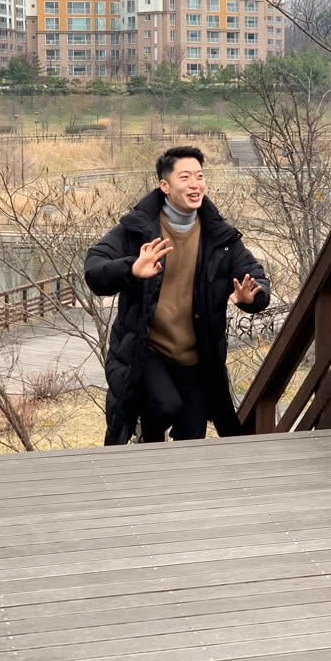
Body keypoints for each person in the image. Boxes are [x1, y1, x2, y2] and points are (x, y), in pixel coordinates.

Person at [84, 145, 270, 446]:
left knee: (192, 435)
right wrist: (132, 268)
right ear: (165, 186)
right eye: (185, 177)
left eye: (199, 176)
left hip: (197, 357)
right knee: (164, 405)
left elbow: (256, 276)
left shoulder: (219, 237)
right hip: (148, 350)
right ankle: (149, 442)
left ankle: (169, 472)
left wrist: (253, 296)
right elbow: (94, 268)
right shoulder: (138, 229)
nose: (195, 184)